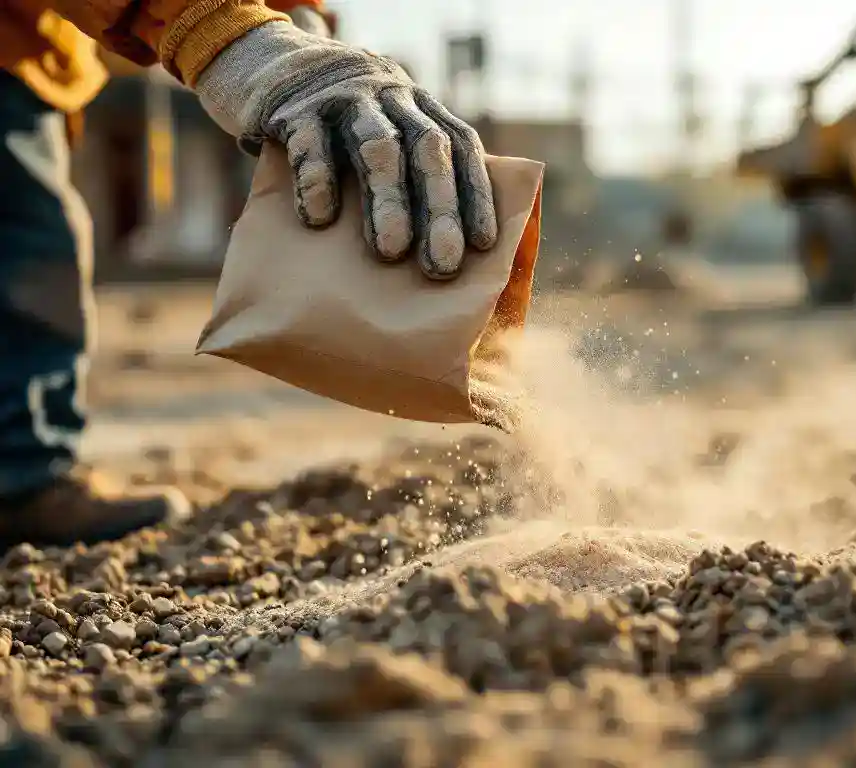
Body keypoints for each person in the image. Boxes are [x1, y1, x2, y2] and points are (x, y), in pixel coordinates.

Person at [0, 0, 498, 549]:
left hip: (26, 49)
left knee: (33, 245)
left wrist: (293, 23)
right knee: (29, 248)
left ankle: (20, 478)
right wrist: (221, 31)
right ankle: (21, 480)